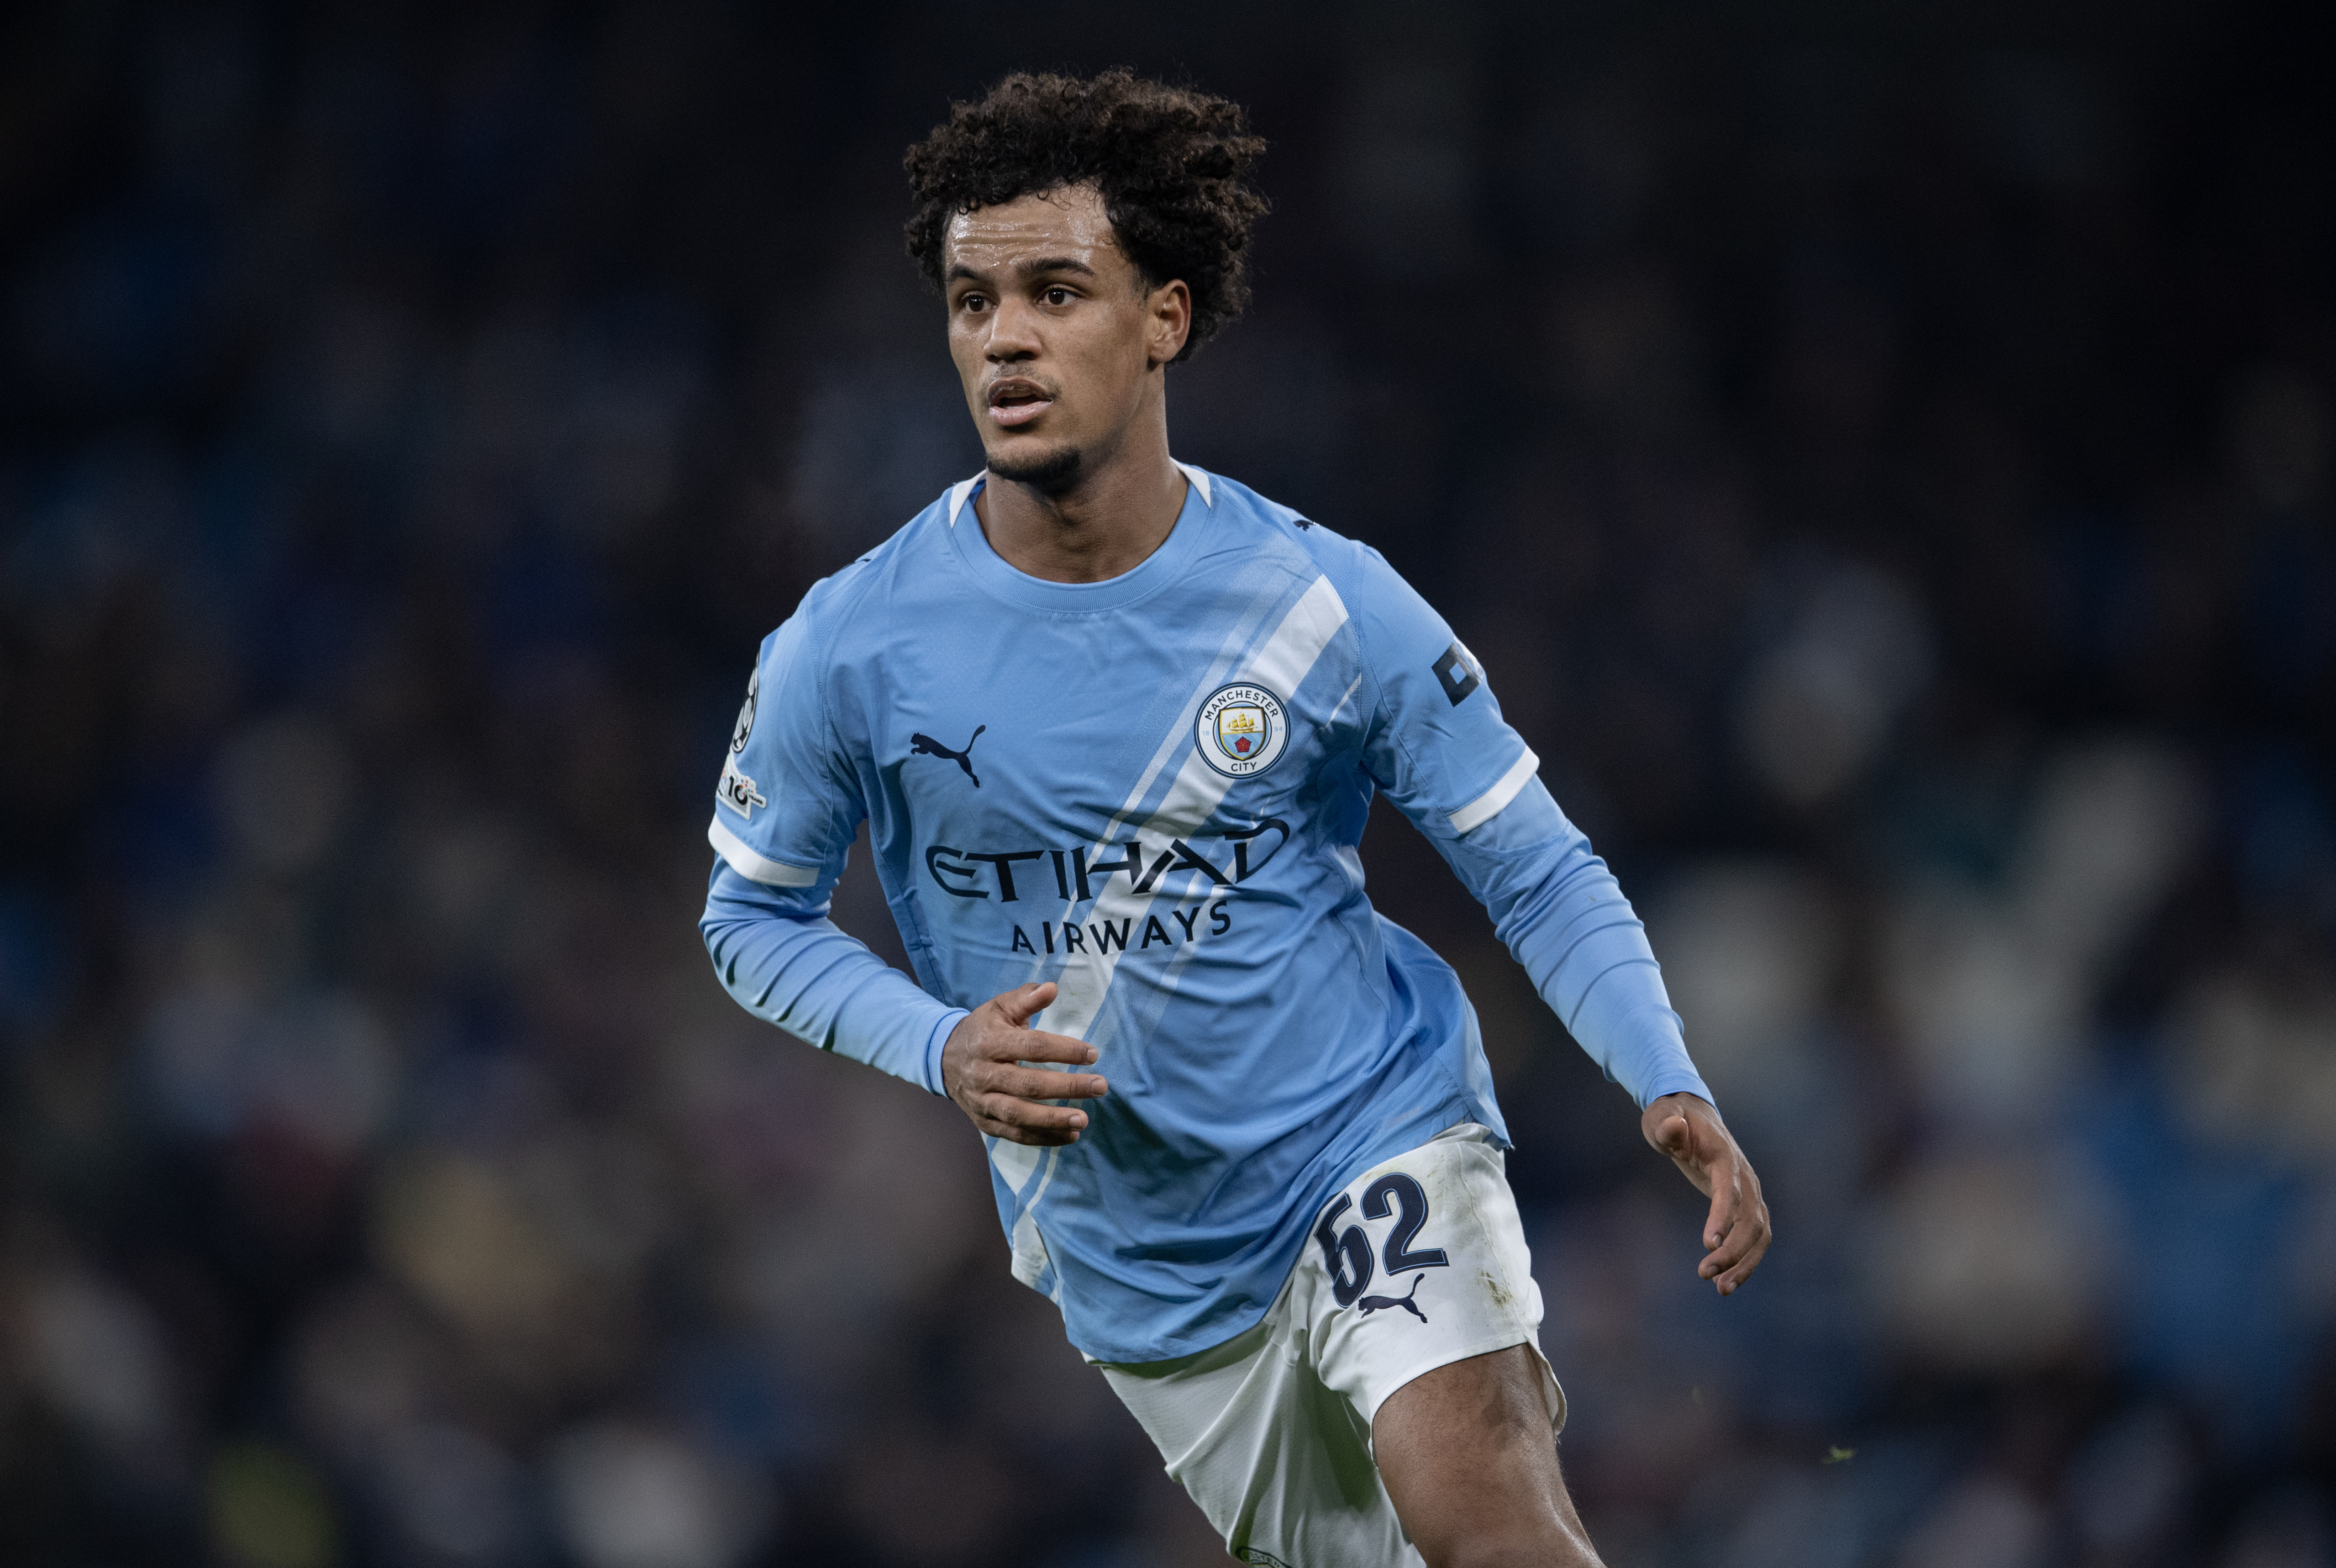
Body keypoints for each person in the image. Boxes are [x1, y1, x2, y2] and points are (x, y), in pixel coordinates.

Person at [699, 69, 1770, 1568]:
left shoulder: (1322, 600)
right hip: (1144, 1266)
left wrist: (1661, 1072)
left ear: (1165, 319)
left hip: (1371, 1134)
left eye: (1055, 291)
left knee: (1485, 1515)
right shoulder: (847, 646)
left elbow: (1526, 859)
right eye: (970, 299)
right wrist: (933, 1043)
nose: (1002, 335)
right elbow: (749, 919)